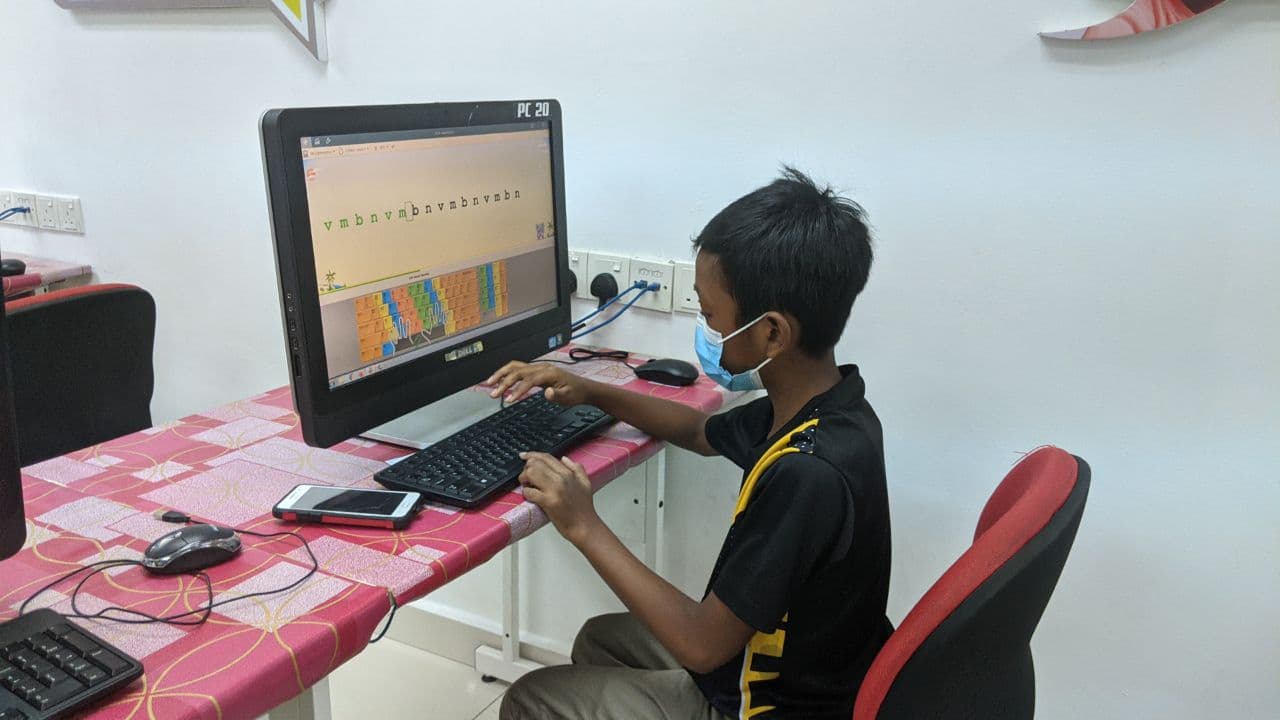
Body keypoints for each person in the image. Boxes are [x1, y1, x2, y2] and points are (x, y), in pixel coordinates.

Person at [491, 167, 891, 719]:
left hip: (770, 706)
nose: (707, 331)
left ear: (772, 332)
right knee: (599, 641)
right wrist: (591, 389)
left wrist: (583, 524)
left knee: (531, 699)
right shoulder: (828, 408)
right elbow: (699, 431)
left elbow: (702, 645)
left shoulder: (807, 473)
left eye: (710, 316)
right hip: (794, 666)